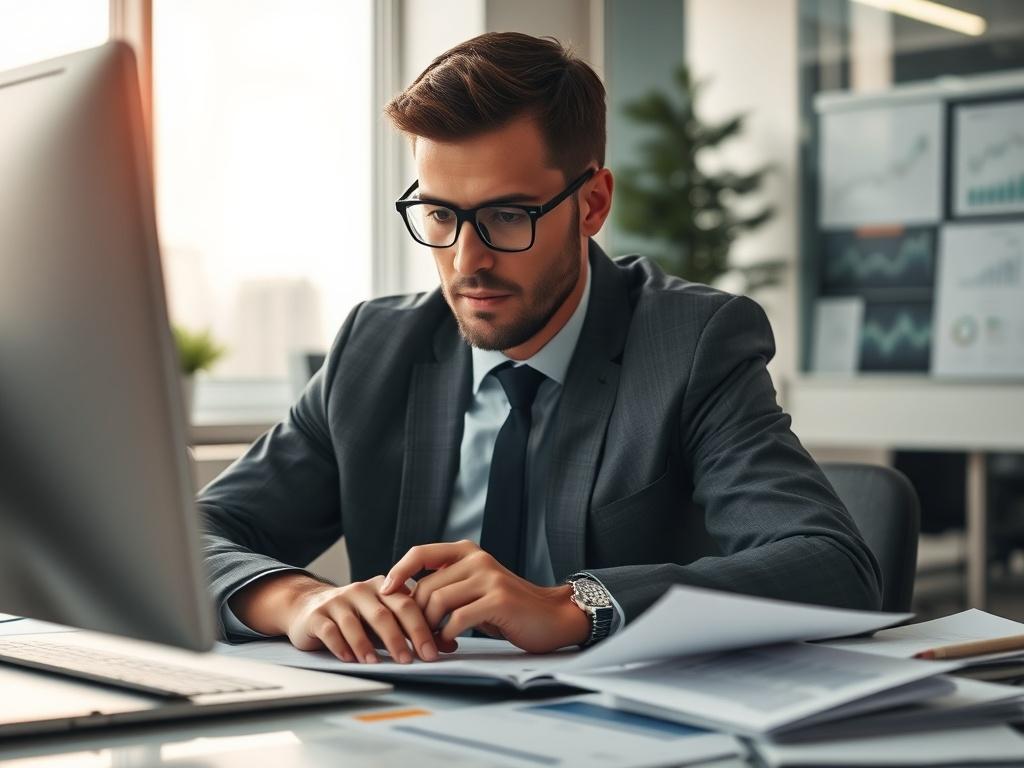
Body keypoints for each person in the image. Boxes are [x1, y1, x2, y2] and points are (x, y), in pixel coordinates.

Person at [199, 31, 881, 666]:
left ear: (591, 205)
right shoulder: (375, 349)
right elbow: (192, 536)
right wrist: (296, 599)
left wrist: (575, 605)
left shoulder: (692, 344)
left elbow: (831, 566)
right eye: (439, 214)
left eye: (506, 216)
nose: (468, 262)